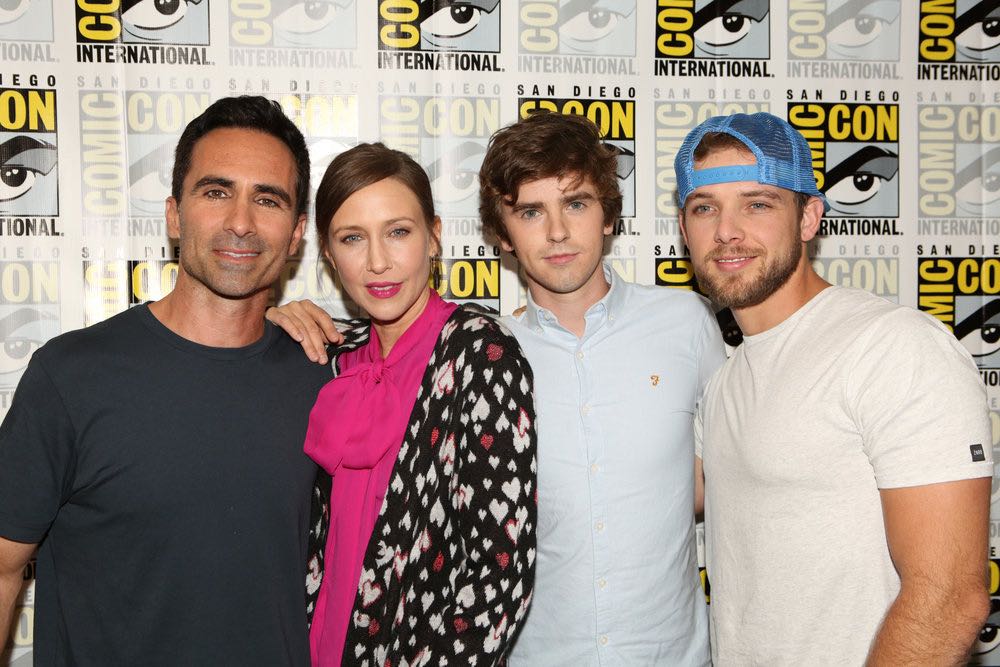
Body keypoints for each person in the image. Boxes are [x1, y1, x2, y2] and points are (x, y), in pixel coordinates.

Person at [270, 112, 726, 664]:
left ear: (609, 214)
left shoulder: (686, 323)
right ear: (502, 235)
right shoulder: (487, 350)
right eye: (531, 212)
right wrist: (273, 320)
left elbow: (722, 482)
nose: (557, 232)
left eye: (576, 204)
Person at [0, 96, 332, 665]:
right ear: (175, 215)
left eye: (267, 199)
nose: (241, 222)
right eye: (216, 192)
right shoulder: (71, 376)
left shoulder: (325, 376)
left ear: (297, 232)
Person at [677, 112, 992, 665]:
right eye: (705, 208)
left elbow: (949, 600)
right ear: (684, 230)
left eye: (757, 204)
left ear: (808, 218)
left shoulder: (893, 347)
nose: (726, 231)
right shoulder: (726, 380)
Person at [300, 142, 536, 666]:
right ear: (328, 254)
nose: (377, 261)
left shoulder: (480, 352)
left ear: (434, 237)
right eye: (352, 238)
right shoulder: (330, 357)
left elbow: (501, 574)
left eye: (398, 232)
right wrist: (271, 319)